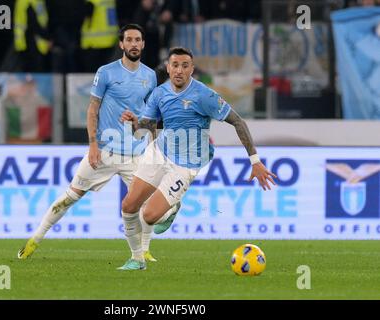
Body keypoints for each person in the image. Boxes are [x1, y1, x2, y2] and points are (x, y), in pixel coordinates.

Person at [17, 24, 179, 265]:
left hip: (134, 153)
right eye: (129, 40)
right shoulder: (106, 72)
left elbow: (149, 115)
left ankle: (143, 251)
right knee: (71, 196)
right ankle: (35, 239)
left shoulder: (149, 76)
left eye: (138, 40)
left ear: (143, 44)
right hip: (104, 150)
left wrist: (153, 145)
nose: (134, 44)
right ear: (121, 44)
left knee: (145, 203)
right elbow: (93, 108)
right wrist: (92, 145)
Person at [119, 47, 277, 270]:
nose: (179, 70)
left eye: (185, 66)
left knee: (149, 216)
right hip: (159, 152)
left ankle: (171, 209)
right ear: (168, 68)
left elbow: (238, 122)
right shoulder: (159, 93)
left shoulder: (204, 95)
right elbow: (146, 127)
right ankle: (137, 259)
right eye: (175, 65)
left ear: (192, 69)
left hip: (186, 164)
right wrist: (134, 124)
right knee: (128, 205)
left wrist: (255, 161)